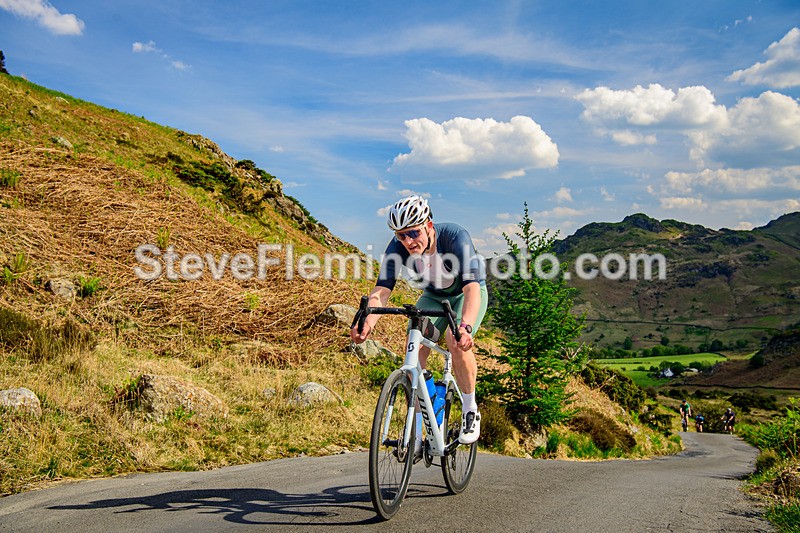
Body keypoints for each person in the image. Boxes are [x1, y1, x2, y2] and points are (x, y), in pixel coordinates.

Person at [350, 195, 488, 446]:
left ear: (429, 226)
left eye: (413, 233)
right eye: (401, 236)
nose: (408, 242)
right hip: (434, 296)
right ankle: (426, 408)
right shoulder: (397, 248)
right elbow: (382, 290)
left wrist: (465, 326)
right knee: (414, 348)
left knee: (454, 340)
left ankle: (470, 410)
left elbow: (472, 289)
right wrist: (366, 322)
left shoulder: (455, 238)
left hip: (465, 296)